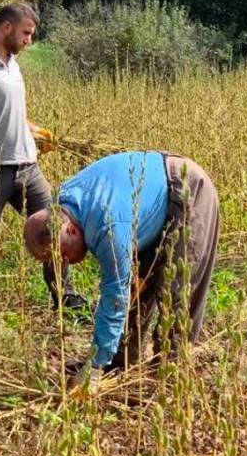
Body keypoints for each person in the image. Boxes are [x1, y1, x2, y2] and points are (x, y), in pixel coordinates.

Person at [23, 151, 219, 392]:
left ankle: (169, 378)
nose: (65, 261)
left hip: (187, 189)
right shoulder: (64, 201)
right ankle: (119, 362)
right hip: (146, 201)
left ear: (72, 231)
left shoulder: (108, 227)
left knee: (177, 291)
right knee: (139, 284)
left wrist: (93, 367)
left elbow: (116, 297)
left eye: (62, 255)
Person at [0, 2, 85, 330]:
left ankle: (65, 298)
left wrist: (36, 133)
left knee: (55, 231)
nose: (29, 40)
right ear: (6, 27)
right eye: (26, 33)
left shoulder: (13, 65)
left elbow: (13, 115)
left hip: (28, 169)